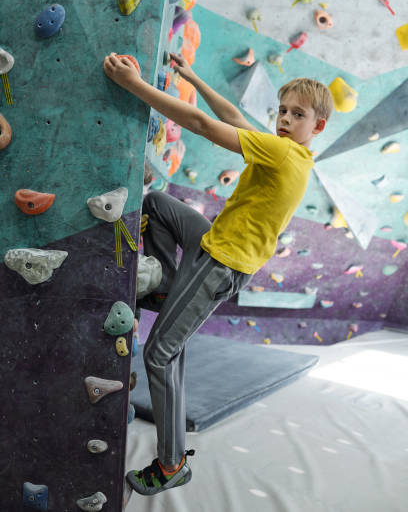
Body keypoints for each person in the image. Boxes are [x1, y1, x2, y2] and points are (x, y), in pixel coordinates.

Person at [103, 51, 333, 496]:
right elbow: (229, 114)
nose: (285, 119)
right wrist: (193, 75)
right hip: (211, 242)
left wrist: (135, 86)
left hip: (222, 264)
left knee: (160, 353)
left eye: (297, 114)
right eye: (282, 111)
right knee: (158, 205)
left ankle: (172, 464)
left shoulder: (285, 154)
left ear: (316, 127)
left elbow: (206, 126)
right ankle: (166, 285)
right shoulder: (285, 150)